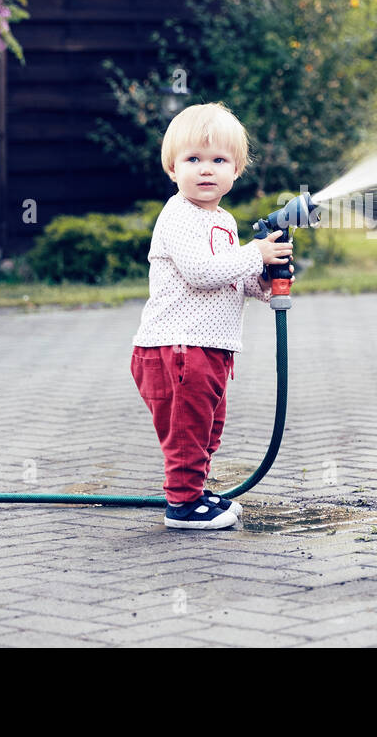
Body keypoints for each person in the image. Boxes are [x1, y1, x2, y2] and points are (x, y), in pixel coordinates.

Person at [129, 102, 293, 529]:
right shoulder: (179, 216)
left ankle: (196, 493)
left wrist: (267, 278)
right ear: (172, 168)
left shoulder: (224, 221)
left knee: (205, 428)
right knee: (187, 432)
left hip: (210, 350)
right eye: (193, 160)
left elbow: (233, 279)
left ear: (235, 170)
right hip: (175, 349)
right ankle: (183, 506)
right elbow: (202, 274)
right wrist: (253, 254)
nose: (206, 169)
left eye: (218, 160)